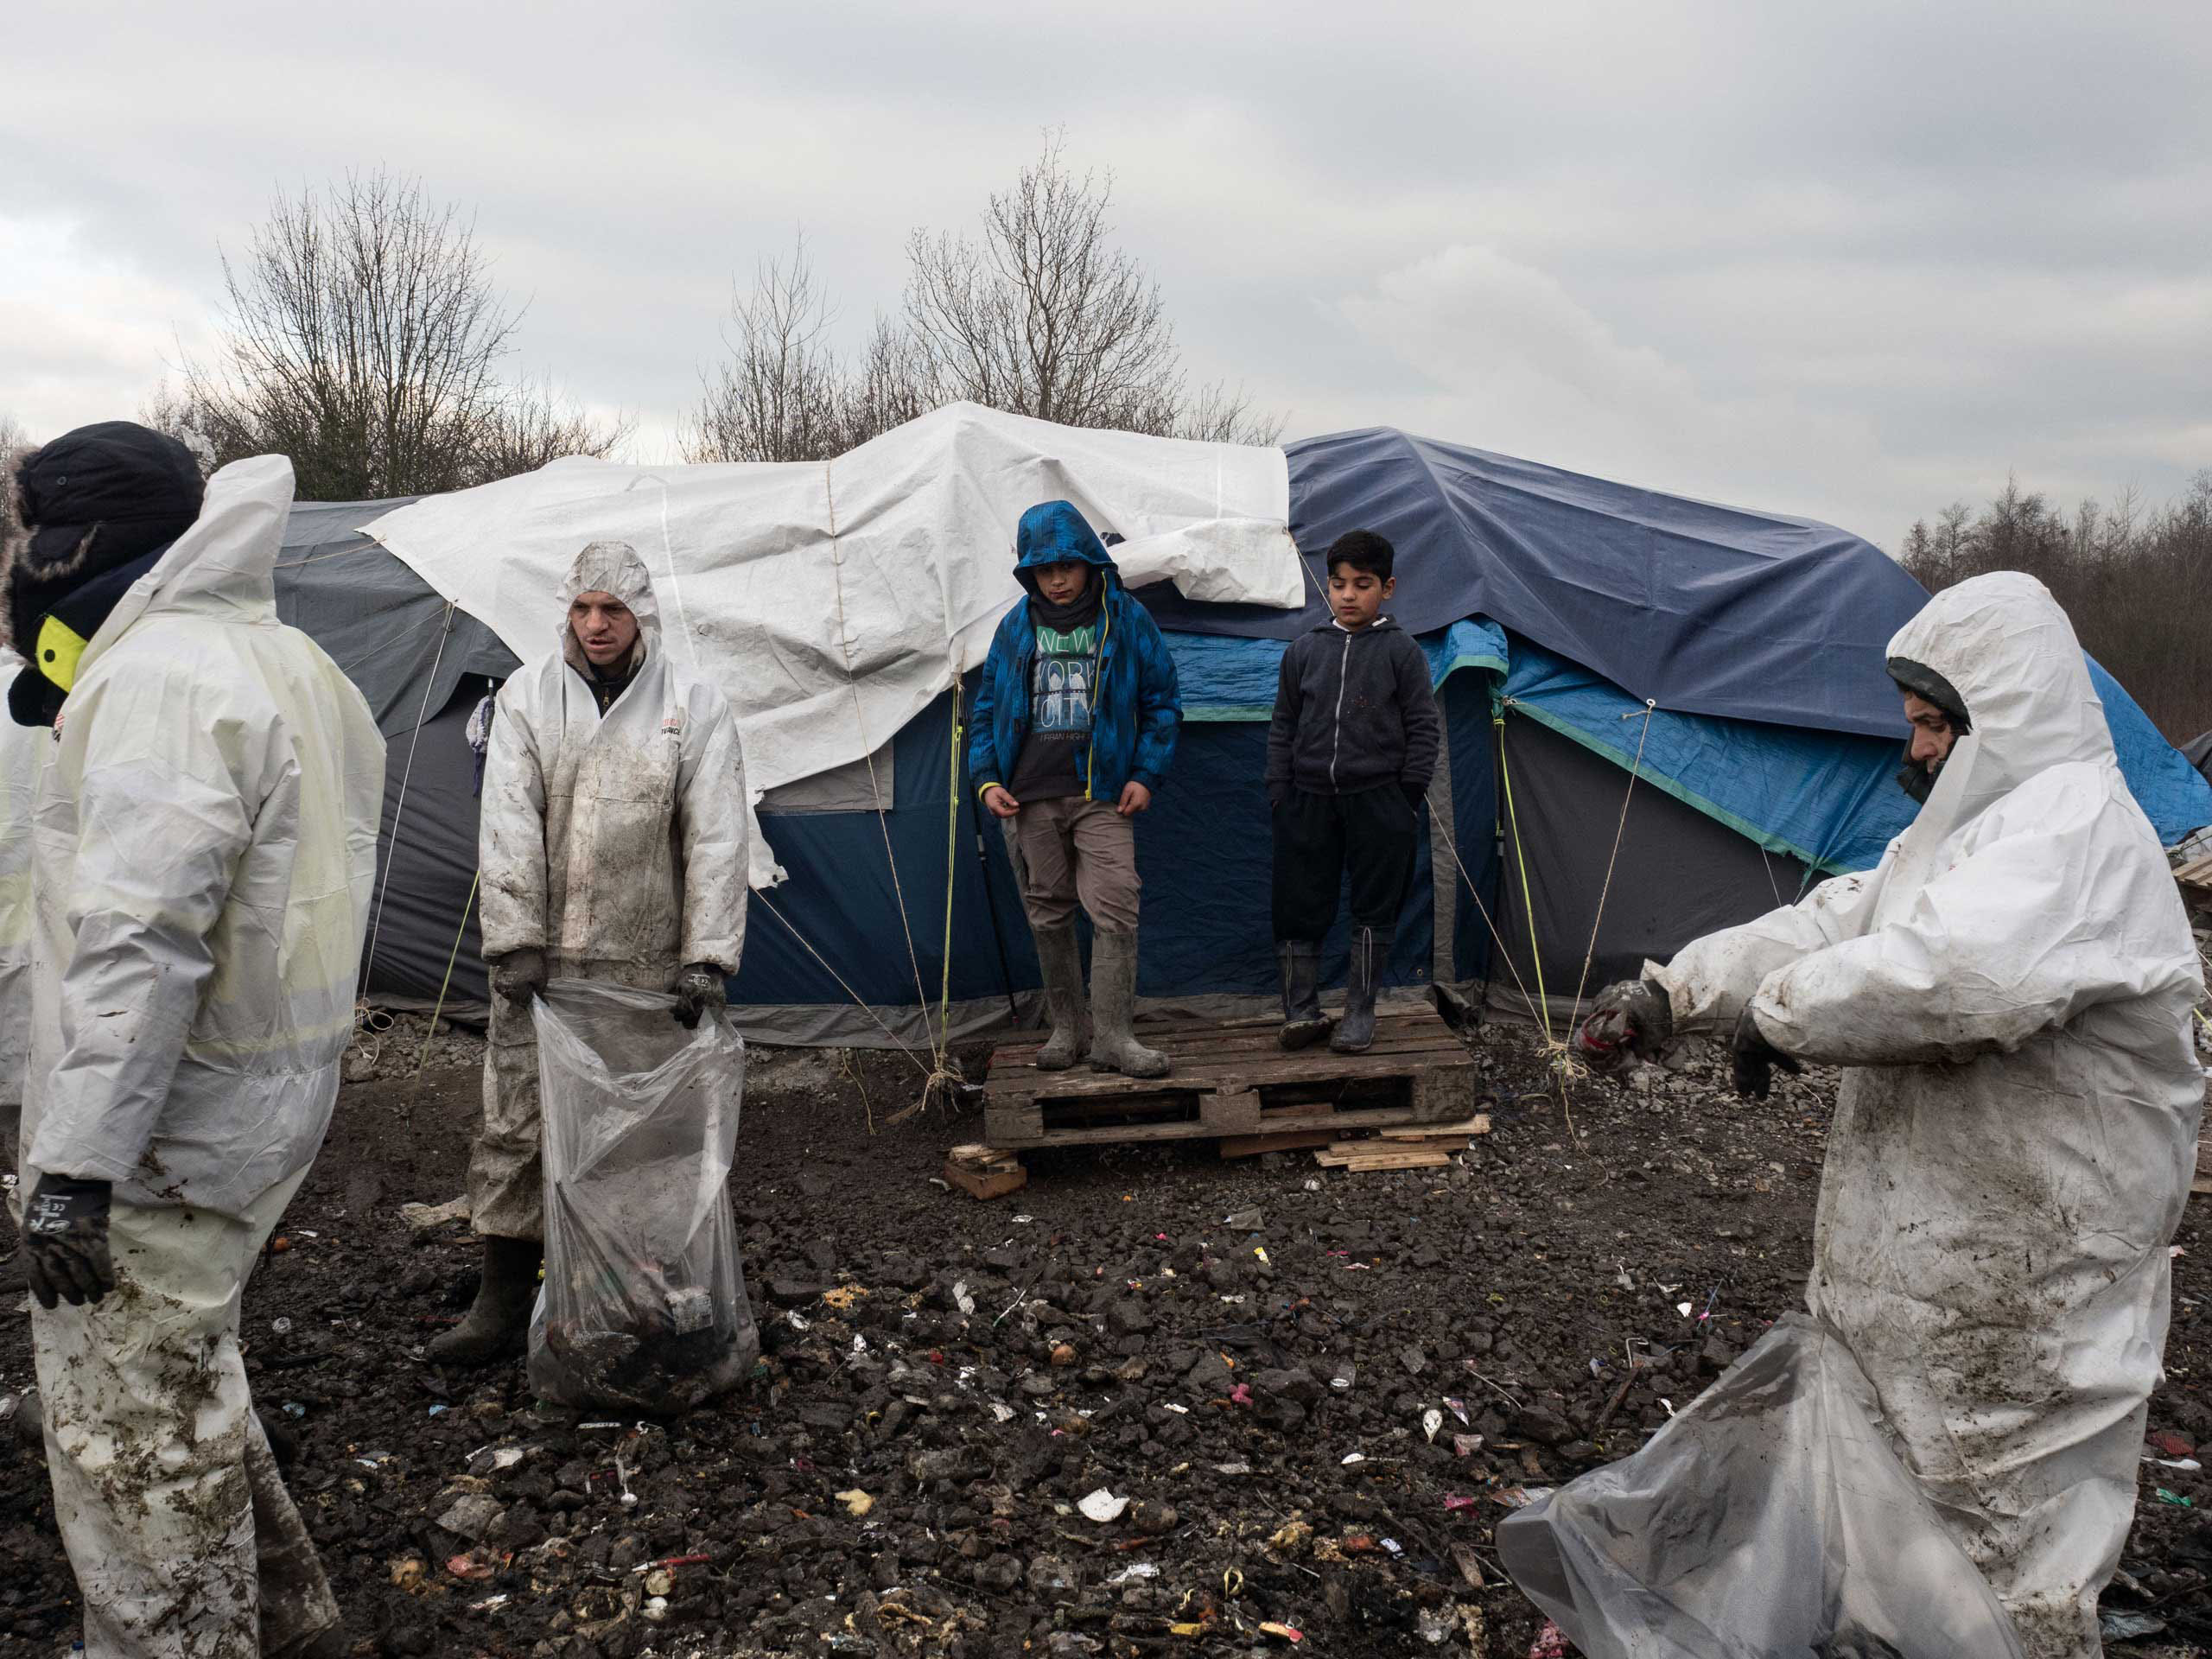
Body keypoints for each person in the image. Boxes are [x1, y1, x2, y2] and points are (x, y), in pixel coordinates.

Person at [1576, 571, 2203, 1657]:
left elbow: (1949, 977)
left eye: (1929, 727)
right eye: (1911, 724)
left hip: (2036, 1270)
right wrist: (1675, 992)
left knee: (2006, 1518)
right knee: (1901, 1497)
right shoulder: (1972, 833)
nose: (1911, 751)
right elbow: (1842, 923)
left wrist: (1776, 1019)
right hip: (1938, 1250)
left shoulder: (2078, 836)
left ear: (1994, 722)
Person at [5, 425, 384, 1658]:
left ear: (78, 540)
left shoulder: (162, 681)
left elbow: (144, 936)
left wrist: (73, 1165)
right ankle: (293, 1622)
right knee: (180, 1365)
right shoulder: (295, 662)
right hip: (266, 1093)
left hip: (164, 1124)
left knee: (126, 1438)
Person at [436, 540, 750, 1366]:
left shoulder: (693, 703)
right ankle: (502, 1301)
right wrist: (515, 942)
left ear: (641, 615)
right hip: (541, 972)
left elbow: (716, 831)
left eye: (612, 610)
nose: (596, 624)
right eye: (583, 609)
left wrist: (705, 959)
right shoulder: (529, 698)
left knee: (638, 1139)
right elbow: (506, 817)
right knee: (516, 1126)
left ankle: (625, 1301)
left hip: (645, 967)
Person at [969, 500, 1182, 1078]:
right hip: (1030, 793)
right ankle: (1068, 1028)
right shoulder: (1015, 626)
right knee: (1047, 913)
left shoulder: (1126, 617)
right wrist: (986, 779)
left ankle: (1114, 1035)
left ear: (1091, 561)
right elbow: (986, 710)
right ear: (1030, 573)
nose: (1058, 579)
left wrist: (1145, 773)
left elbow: (1161, 701)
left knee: (1116, 903)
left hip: (1102, 793)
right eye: (1044, 569)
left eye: (1068, 566)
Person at [1265, 530, 1441, 1053]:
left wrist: (1406, 795)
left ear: (1386, 588)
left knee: (1374, 905)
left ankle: (1359, 1014)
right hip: (1307, 798)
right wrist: (1280, 790)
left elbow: (1423, 727)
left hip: (1379, 799)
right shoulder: (1304, 651)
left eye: (1362, 585)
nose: (1348, 596)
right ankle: (1300, 1011)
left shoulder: (1402, 653)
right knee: (1299, 901)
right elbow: (1282, 726)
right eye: (1339, 584)